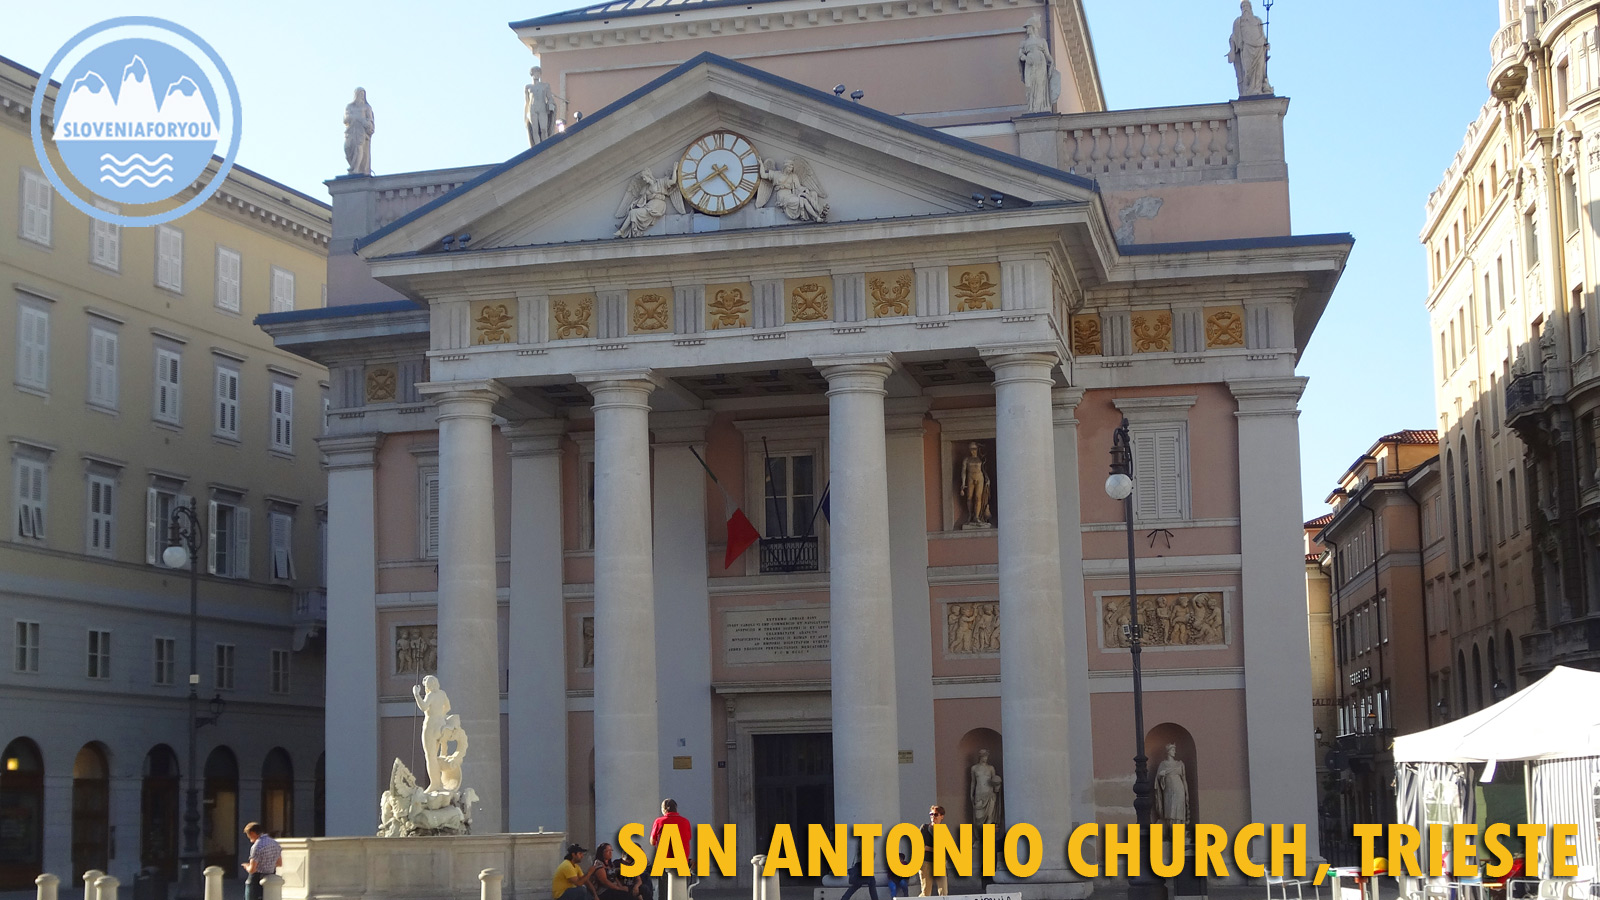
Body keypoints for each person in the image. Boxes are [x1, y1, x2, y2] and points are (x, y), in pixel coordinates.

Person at [649, 798, 692, 900]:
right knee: (681, 887)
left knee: (663, 889)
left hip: (665, 859)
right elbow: (688, 837)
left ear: (664, 809)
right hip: (682, 859)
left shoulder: (659, 821)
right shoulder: (685, 821)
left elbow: (652, 841)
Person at [241, 822, 280, 900]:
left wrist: (247, 866)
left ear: (252, 833)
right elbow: (279, 863)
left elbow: (252, 869)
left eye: (248, 836)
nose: (250, 839)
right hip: (271, 876)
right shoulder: (275, 843)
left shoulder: (257, 846)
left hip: (256, 878)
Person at [918, 807, 948, 896]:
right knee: (926, 892)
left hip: (939, 863)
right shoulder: (925, 828)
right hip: (926, 862)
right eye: (931, 814)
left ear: (941, 816)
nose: (933, 817)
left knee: (944, 892)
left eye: (935, 814)